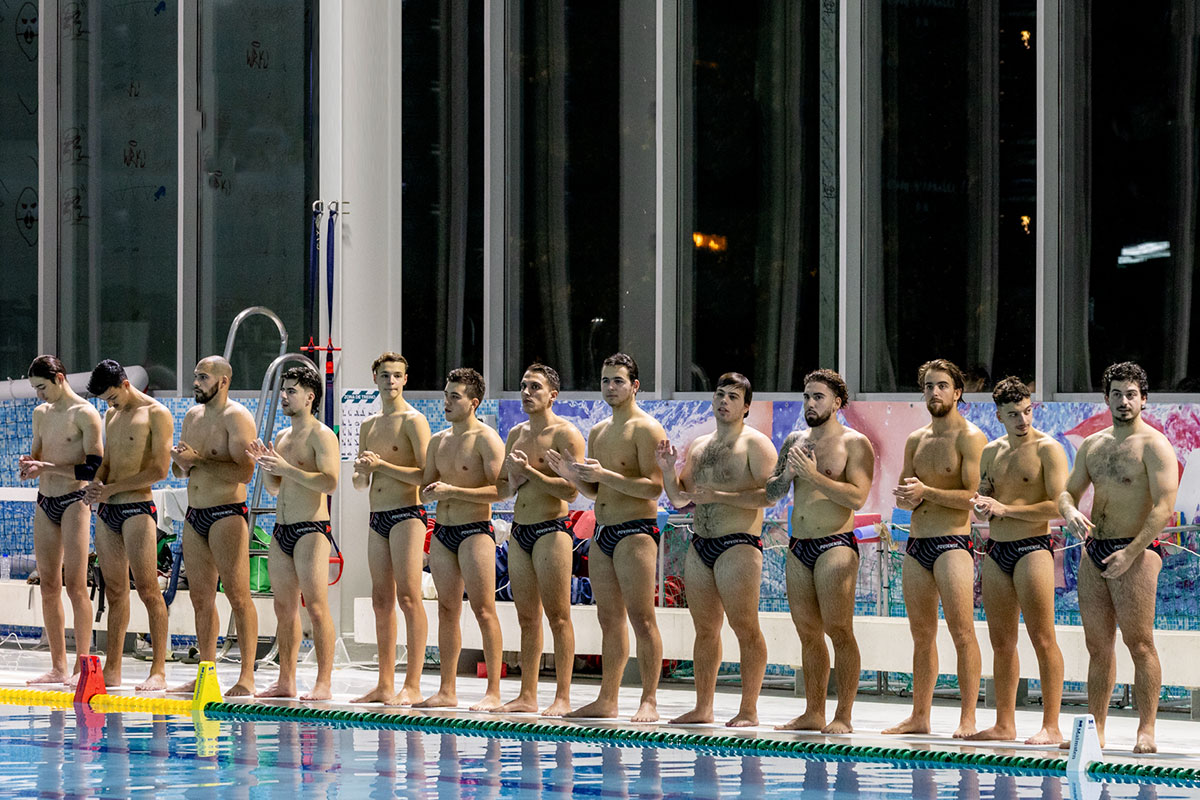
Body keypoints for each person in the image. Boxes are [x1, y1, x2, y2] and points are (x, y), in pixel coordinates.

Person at [1058, 362, 1178, 754]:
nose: (1124, 401)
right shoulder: (1094, 445)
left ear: (1144, 398)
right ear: (1105, 397)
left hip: (1137, 549)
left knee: (1139, 643)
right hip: (1095, 550)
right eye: (1116, 393)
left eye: (1131, 394)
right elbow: (1067, 492)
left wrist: (1131, 551)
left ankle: (1146, 729)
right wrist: (1071, 511)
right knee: (1098, 647)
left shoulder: (1154, 445)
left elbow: (1164, 507)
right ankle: (1096, 730)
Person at [548, 353, 666, 722]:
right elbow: (596, 491)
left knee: (643, 618)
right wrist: (572, 475)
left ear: (635, 386)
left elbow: (653, 489)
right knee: (608, 617)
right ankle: (608, 698)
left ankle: (649, 699)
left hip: (635, 532)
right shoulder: (599, 431)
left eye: (618, 381)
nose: (610, 387)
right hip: (603, 532)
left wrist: (606, 474)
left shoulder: (646, 429)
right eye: (605, 381)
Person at [656, 372, 776, 727]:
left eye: (733, 397)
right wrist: (666, 469)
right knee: (705, 629)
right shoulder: (700, 446)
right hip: (701, 543)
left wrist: (720, 496)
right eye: (720, 394)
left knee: (745, 627)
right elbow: (680, 499)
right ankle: (703, 706)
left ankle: (749, 709)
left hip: (737, 542)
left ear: (746, 407)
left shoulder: (756, 445)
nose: (724, 401)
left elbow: (771, 495)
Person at [764, 369, 875, 734]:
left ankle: (843, 715)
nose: (810, 404)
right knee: (808, 631)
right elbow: (772, 493)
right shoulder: (795, 440)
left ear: (837, 403)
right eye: (806, 397)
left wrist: (813, 476)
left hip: (835, 544)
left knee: (839, 629)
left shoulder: (855, 443)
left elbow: (857, 497)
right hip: (799, 545)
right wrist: (787, 473)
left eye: (818, 397)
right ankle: (813, 711)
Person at [884, 358, 986, 738]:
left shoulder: (970, 438)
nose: (934, 392)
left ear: (957, 392)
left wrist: (926, 492)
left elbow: (974, 498)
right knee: (922, 634)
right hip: (916, 544)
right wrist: (907, 497)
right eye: (928, 386)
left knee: (962, 631)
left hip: (952, 544)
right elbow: (903, 492)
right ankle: (920, 715)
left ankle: (968, 717)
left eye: (942, 385)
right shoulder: (916, 439)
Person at [967, 376, 1067, 745]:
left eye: (1027, 412)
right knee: (1002, 641)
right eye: (1013, 415)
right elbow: (985, 501)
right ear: (999, 416)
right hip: (997, 550)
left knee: (1043, 637)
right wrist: (982, 504)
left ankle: (1052, 725)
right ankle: (1004, 723)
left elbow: (1059, 505)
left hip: (1032, 548)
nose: (1023, 421)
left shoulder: (1048, 449)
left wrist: (1005, 507)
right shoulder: (991, 452)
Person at [494, 364, 586, 716]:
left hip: (552, 529)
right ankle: (527, 694)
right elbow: (504, 485)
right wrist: (515, 480)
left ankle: (562, 696)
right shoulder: (516, 434)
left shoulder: (566, 434)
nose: (527, 392)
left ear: (553, 395)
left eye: (535, 387)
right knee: (526, 617)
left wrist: (530, 472)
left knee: (559, 616)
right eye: (523, 386)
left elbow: (573, 490)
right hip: (521, 530)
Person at [415, 368, 506, 711]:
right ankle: (447, 689)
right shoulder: (438, 442)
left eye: (455, 396)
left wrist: (453, 490)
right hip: (443, 532)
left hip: (474, 532)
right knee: (447, 609)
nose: (447, 402)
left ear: (473, 403)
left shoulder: (486, 439)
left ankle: (494, 691)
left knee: (484, 609)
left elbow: (501, 490)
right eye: (446, 394)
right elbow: (424, 492)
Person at [248, 365, 340, 700]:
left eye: (291, 391)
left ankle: (324, 682)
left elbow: (330, 481)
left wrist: (286, 468)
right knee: (283, 608)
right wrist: (266, 465)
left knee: (316, 606)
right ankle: (286, 680)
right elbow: (275, 488)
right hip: (281, 529)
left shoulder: (321, 435)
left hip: (311, 530)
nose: (284, 397)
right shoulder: (284, 437)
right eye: (284, 390)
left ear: (310, 397)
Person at [169, 356, 259, 696]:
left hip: (226, 514)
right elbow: (185, 470)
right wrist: (180, 463)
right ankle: (207, 672)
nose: (196, 382)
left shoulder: (237, 417)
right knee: (200, 597)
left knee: (238, 595)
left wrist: (199, 462)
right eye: (195, 376)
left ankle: (246, 676)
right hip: (195, 515)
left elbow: (245, 472)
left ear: (223, 381)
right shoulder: (192, 417)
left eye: (203, 377)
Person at [82, 359, 173, 690]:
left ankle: (158, 670)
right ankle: (113, 669)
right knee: (116, 591)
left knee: (148, 589)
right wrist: (96, 484)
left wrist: (113, 489)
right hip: (108, 511)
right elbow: (108, 461)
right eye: (106, 401)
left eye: (112, 397)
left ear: (124, 384)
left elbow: (159, 471)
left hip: (137, 509)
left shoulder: (156, 414)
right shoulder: (112, 414)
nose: (110, 404)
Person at [350, 353, 432, 706]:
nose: (391, 382)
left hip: (407, 515)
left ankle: (412, 683)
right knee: (381, 600)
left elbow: (426, 476)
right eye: (385, 375)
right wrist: (364, 471)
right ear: (375, 377)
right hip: (377, 516)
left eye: (397, 375)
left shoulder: (414, 421)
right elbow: (358, 482)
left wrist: (382, 464)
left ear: (405, 379)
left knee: (409, 597)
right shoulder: (368, 425)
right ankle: (385, 683)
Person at [19, 355, 101, 685]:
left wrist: (48, 467)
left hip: (74, 501)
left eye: (42, 387)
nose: (39, 395)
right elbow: (38, 454)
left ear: (59, 378)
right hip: (45, 501)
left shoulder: (85, 413)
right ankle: (57, 666)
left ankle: (83, 664)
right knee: (49, 585)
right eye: (35, 389)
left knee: (76, 585)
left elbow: (93, 467)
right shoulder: (42, 413)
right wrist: (29, 465)